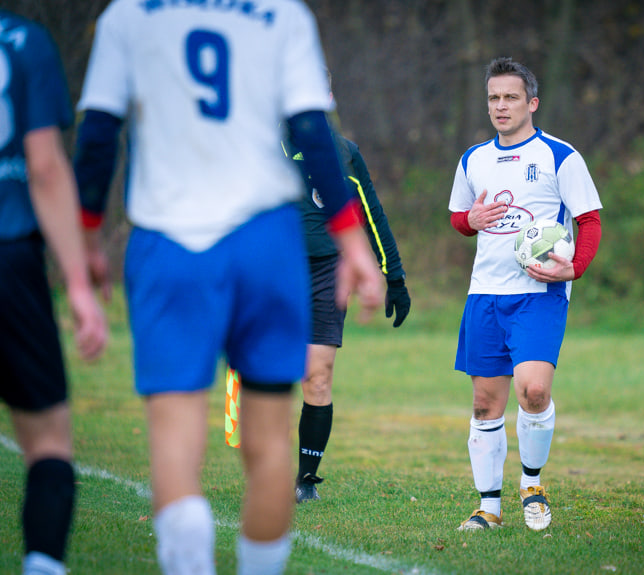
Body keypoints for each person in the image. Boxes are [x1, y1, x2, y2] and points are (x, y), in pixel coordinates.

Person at [73, 2, 384, 574]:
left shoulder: (128, 15)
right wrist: (354, 243)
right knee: (267, 445)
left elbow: (97, 136)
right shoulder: (281, 12)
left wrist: (85, 237)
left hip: (171, 242)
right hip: (265, 243)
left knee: (176, 440)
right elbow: (317, 133)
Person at [448, 57, 602, 532]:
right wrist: (468, 222)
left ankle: (531, 484)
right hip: (484, 295)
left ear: (531, 103)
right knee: (484, 405)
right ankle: (488, 507)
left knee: (533, 391)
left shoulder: (560, 156)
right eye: (493, 97)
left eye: (511, 97)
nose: (501, 106)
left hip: (540, 292)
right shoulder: (473, 159)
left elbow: (589, 220)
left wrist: (572, 268)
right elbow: (459, 218)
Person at [0, 10, 108, 575]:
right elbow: (44, 167)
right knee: (47, 443)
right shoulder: (23, 41)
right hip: (10, 260)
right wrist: (77, 284)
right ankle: (42, 564)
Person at [288, 74, 410, 503]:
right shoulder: (260, 146)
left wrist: (394, 276)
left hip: (326, 271)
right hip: (272, 271)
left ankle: (305, 479)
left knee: (316, 374)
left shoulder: (342, 152)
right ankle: (263, 465)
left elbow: (372, 215)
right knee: (266, 373)